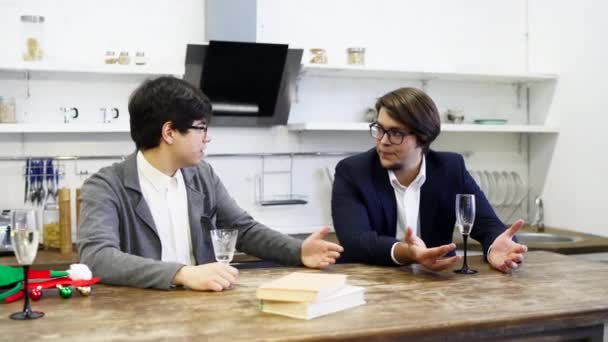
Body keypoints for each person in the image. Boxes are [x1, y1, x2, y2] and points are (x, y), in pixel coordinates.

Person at [77, 76, 343, 291]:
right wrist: (181, 274)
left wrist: (298, 251)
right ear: (169, 132)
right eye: (201, 128)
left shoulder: (202, 175)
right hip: (138, 320)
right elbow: (98, 258)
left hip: (204, 313)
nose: (208, 138)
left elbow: (243, 229)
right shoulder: (105, 186)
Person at [331, 87, 527, 273]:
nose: (383, 141)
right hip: (368, 284)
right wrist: (408, 252)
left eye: (395, 133)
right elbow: (355, 241)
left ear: (423, 137)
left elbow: (488, 225)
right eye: (380, 129)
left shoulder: (450, 168)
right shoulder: (353, 171)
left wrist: (495, 247)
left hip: (435, 283)